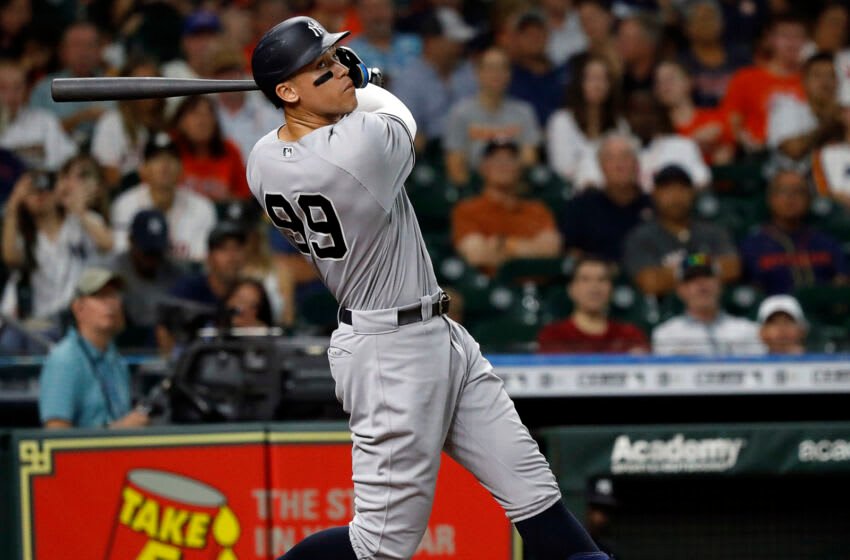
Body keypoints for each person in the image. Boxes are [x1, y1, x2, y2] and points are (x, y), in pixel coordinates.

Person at [247, 16, 609, 560]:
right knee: (379, 546)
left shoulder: (262, 160)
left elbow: (313, 123)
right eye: (322, 65)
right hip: (389, 351)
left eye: (334, 59)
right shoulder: (357, 152)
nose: (339, 68)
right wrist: (366, 81)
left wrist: (326, 85)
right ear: (286, 90)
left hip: (436, 333)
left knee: (534, 493)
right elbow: (400, 117)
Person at [1, 164, 113, 329]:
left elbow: (107, 244)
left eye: (45, 190)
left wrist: (78, 210)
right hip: (40, 322)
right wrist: (13, 204)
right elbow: (10, 257)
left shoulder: (78, 221)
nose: (40, 196)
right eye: (33, 192)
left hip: (78, 317)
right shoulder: (23, 232)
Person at [38, 267, 149, 428]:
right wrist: (117, 430)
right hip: (86, 453)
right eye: (100, 296)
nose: (110, 303)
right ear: (78, 308)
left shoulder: (116, 360)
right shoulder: (65, 360)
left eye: (113, 295)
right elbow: (55, 434)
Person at [623, 164, 740, 296]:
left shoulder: (712, 231)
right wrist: (704, 265)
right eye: (667, 190)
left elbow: (732, 268)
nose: (675, 196)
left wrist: (679, 268)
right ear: (655, 194)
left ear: (692, 192)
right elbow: (651, 282)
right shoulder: (641, 236)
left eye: (682, 188)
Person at [451, 138, 561, 275]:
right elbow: (476, 255)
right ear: (483, 168)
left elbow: (551, 250)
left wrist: (504, 245)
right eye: (496, 160)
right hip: (490, 286)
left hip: (537, 285)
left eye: (510, 159)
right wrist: (530, 248)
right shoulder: (467, 210)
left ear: (519, 168)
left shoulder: (538, 210)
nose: (503, 165)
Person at [110, 132, 217, 263]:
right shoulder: (126, 205)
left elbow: (201, 260)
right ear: (143, 169)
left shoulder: (202, 207)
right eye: (156, 159)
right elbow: (122, 253)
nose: (164, 165)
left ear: (181, 168)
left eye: (171, 159)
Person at [574, 90, 710, 191]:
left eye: (650, 112)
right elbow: (586, 184)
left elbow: (702, 181)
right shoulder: (607, 147)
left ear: (659, 116)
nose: (645, 119)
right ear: (626, 116)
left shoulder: (681, 145)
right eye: (638, 112)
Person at [739, 169, 848, 296]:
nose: (791, 197)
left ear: (808, 200)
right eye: (783, 191)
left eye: (798, 191)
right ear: (770, 199)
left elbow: (842, 282)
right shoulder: (752, 245)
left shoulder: (826, 242)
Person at [443, 46, 540, 186]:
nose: (496, 74)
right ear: (478, 73)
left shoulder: (524, 112)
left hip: (514, 187)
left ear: (509, 74)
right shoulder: (460, 113)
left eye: (502, 68)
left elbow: (529, 160)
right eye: (490, 68)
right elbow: (455, 164)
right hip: (475, 188)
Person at [390, 8, 478, 152]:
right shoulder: (409, 80)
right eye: (453, 41)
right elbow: (405, 130)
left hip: (474, 146)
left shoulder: (468, 72)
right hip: (432, 152)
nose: (460, 47)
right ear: (431, 42)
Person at [721, 13, 807, 151]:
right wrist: (748, 143)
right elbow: (731, 121)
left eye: (797, 36)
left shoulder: (813, 80)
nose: (791, 42)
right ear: (770, 39)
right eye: (785, 35)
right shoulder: (745, 78)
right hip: (758, 154)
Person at [560, 132, 652, 261]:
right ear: (601, 166)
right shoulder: (580, 207)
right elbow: (569, 252)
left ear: (637, 164)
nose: (619, 165)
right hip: (597, 278)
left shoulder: (657, 205)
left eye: (625, 157)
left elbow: (688, 256)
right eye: (610, 159)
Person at [652, 253, 765, 356]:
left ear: (719, 284)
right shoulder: (667, 335)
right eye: (692, 279)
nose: (701, 284)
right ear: (680, 290)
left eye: (707, 276)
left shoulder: (748, 331)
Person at [537, 256, 649, 353]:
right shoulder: (553, 336)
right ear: (571, 289)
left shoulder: (630, 336)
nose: (594, 288)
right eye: (585, 279)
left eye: (602, 280)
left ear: (611, 289)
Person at [28, 21, 114, 144]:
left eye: (90, 45)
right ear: (63, 51)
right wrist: (80, 118)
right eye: (77, 45)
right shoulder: (45, 88)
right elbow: (33, 133)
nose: (83, 52)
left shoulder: (114, 86)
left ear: (99, 51)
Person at [546, 54, 627, 182]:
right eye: (592, 78)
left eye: (603, 79)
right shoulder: (561, 121)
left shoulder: (620, 125)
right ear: (579, 83)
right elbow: (561, 168)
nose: (598, 85)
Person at [107, 209, 185, 341]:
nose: (152, 258)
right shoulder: (111, 271)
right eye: (147, 251)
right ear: (131, 241)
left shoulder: (175, 273)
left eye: (157, 252)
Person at [90, 57, 165, 190]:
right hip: (125, 196)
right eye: (142, 83)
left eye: (154, 81)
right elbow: (110, 178)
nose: (150, 89)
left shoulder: (166, 123)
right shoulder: (112, 122)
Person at [209, 41, 282, 162]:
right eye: (223, 73)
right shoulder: (207, 115)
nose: (229, 78)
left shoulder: (270, 115)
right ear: (213, 78)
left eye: (234, 72)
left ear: (243, 74)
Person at [0, 59, 77, 171]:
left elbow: (69, 160)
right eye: (3, 88)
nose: (11, 95)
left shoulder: (45, 121)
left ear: (26, 90)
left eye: (17, 87)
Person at [170, 95, 251, 201]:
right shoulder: (169, 149)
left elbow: (245, 197)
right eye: (195, 114)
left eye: (208, 114)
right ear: (180, 121)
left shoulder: (230, 150)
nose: (202, 121)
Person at [654, 60, 735, 165]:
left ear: (689, 81)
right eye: (659, 82)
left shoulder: (715, 118)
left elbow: (726, 152)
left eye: (670, 79)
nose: (665, 86)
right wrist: (692, 141)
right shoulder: (656, 129)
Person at [504, 9, 571, 127]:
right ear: (517, 38)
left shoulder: (563, 75)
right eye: (528, 34)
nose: (534, 39)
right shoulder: (508, 77)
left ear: (547, 35)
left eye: (539, 32)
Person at [678, 0, 750, 108]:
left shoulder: (741, 57)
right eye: (701, 19)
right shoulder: (681, 64)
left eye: (711, 18)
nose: (707, 24)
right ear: (687, 28)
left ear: (722, 23)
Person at [345, 0, 422, 87]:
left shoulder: (416, 44)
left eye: (382, 7)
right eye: (369, 10)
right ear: (359, 13)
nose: (377, 15)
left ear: (393, 10)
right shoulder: (349, 51)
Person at [615, 11, 660, 98]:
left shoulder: (662, 80)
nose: (619, 44)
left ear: (648, 45)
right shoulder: (617, 78)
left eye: (627, 39)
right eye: (619, 37)